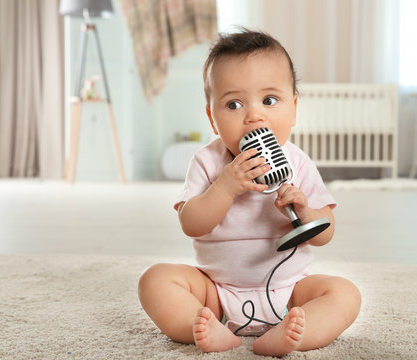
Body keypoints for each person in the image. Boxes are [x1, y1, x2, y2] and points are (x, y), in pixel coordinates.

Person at [138, 29, 361, 357]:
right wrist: (226, 186)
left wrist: (307, 211)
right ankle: (203, 326)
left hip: (290, 292)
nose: (254, 115)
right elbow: (191, 223)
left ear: (294, 109)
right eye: (233, 104)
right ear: (212, 119)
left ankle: (294, 333)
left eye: (269, 100)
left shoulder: (298, 163)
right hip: (216, 292)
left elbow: (324, 231)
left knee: (346, 294)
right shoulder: (208, 162)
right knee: (153, 282)